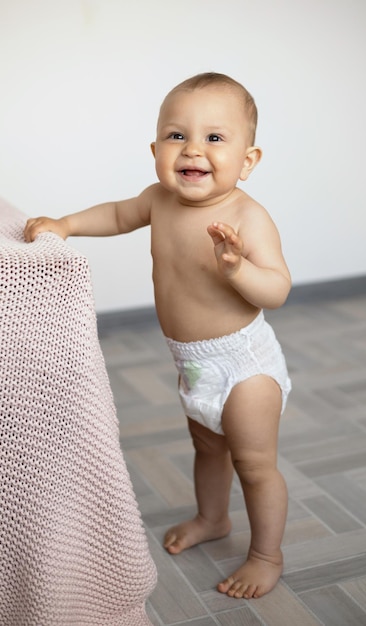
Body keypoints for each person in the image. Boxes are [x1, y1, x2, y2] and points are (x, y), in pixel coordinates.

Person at [24, 72, 292, 600]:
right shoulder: (158, 201)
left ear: (248, 161)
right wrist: (66, 224)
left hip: (244, 366)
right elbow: (117, 214)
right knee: (206, 447)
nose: (193, 148)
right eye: (177, 135)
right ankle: (212, 518)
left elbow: (278, 289)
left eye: (215, 138)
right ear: (155, 149)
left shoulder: (246, 216)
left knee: (254, 464)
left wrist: (238, 269)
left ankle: (266, 554)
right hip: (192, 362)